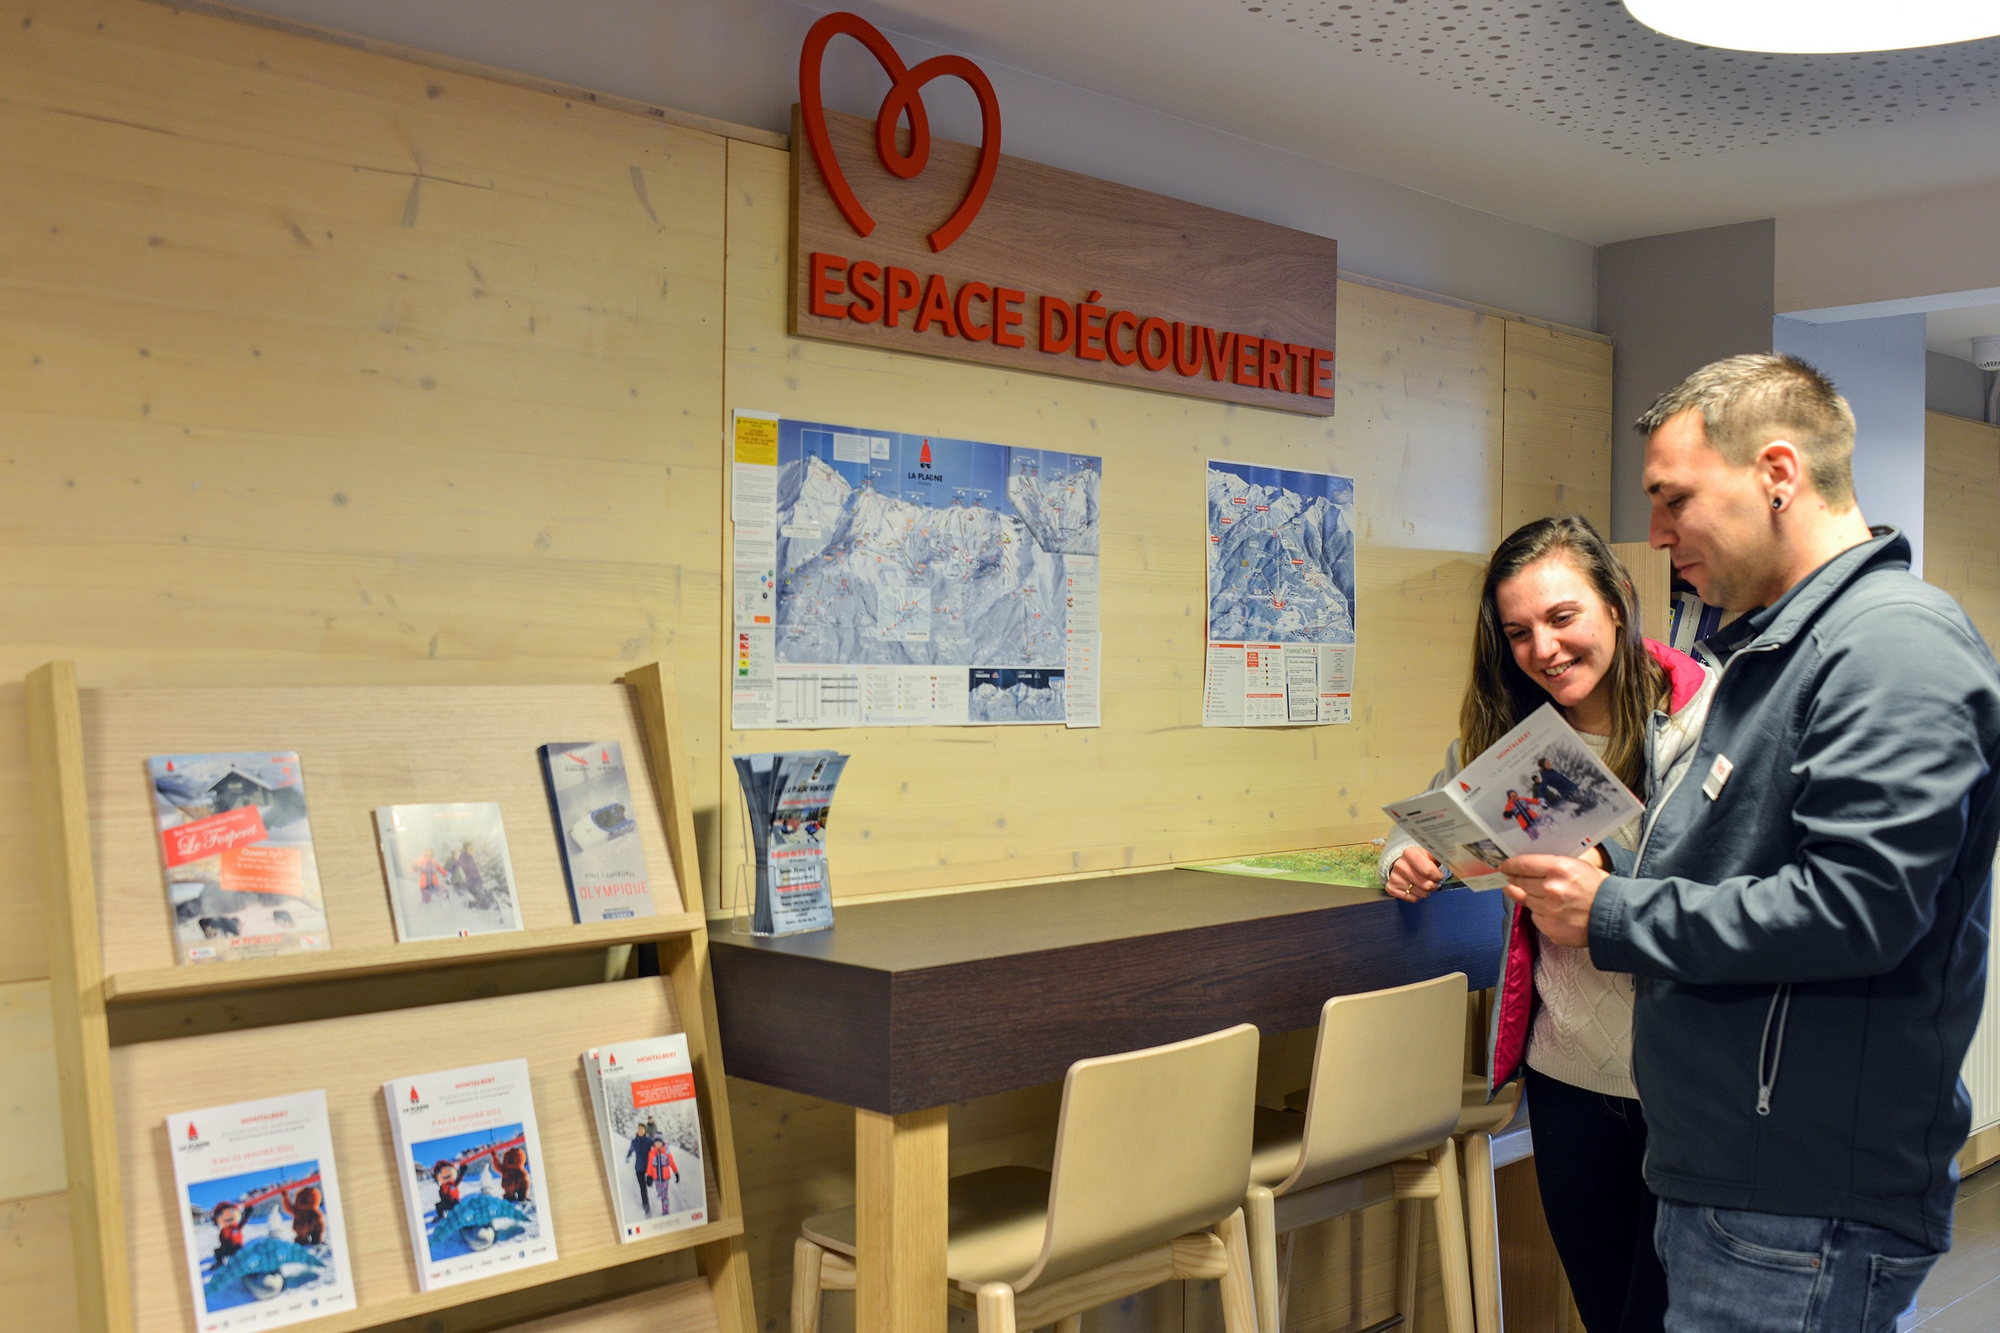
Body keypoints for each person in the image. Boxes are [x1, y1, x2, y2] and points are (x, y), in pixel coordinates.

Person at [1503, 353, 2000, 1333]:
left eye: (1673, 497)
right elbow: (1737, 871)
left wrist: (1613, 910)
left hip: (1799, 1196)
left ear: (1777, 473)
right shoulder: (1772, 654)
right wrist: (1611, 879)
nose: (1655, 533)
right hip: (1735, 1173)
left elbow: (1855, 910)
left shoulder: (1890, 646)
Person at [1381, 513, 1715, 1333]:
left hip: (1687, 1076)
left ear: (1617, 601)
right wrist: (1406, 854)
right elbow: (1434, 818)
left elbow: (1732, 889)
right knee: (1604, 1309)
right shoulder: (1508, 736)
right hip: (1568, 1070)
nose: (1544, 648)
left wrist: (1611, 874)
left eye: (1563, 617)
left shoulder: (1704, 720)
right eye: (1519, 631)